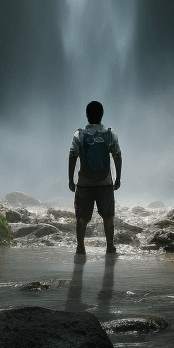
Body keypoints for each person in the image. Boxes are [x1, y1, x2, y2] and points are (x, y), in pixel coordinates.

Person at [68, 100, 122, 255]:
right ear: (102, 115)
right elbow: (117, 156)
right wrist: (118, 178)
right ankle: (110, 246)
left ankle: (80, 247)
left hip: (84, 183)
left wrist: (71, 180)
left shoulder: (79, 134)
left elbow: (72, 157)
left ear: (87, 116)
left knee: (81, 217)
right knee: (108, 216)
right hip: (105, 182)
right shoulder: (110, 134)